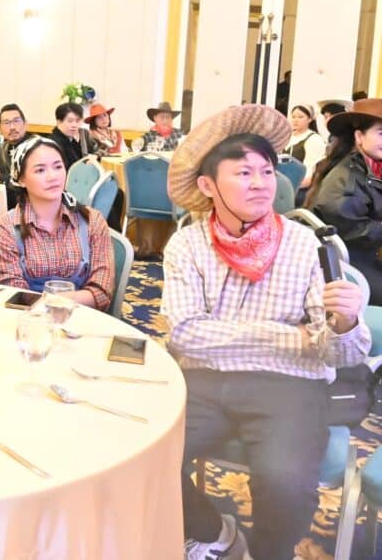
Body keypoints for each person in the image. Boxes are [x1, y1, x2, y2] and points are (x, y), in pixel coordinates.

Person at [161, 104, 369, 560]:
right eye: (243, 173)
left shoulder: (305, 245)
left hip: (288, 386)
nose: (260, 183)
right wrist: (293, 337)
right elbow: (185, 334)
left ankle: (268, 553)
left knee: (285, 481)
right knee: (141, 454)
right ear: (207, 185)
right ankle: (215, 530)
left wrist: (344, 323)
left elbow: (338, 353)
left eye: (267, 172)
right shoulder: (187, 244)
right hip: (202, 381)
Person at [0, 136, 113, 308]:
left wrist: (59, 302)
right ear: (21, 179)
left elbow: (102, 291)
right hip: (23, 319)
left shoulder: (91, 221)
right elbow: (11, 296)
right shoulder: (4, 230)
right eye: (40, 170)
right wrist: (60, 302)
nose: (52, 177)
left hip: (79, 318)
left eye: (58, 167)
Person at [308, 98, 382, 305]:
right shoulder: (346, 176)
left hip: (370, 252)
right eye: (381, 133)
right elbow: (349, 227)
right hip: (348, 261)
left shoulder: (372, 167)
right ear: (359, 136)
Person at [283, 104, 325, 193]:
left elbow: (310, 170)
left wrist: (295, 186)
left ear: (309, 119)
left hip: (300, 188)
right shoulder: (286, 136)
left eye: (300, 117)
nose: (296, 120)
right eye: (293, 117)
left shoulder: (314, 139)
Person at [48, 102, 99, 167]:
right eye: (70, 121)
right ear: (59, 122)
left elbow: (93, 151)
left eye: (77, 121)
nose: (74, 125)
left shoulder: (72, 138)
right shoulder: (53, 144)